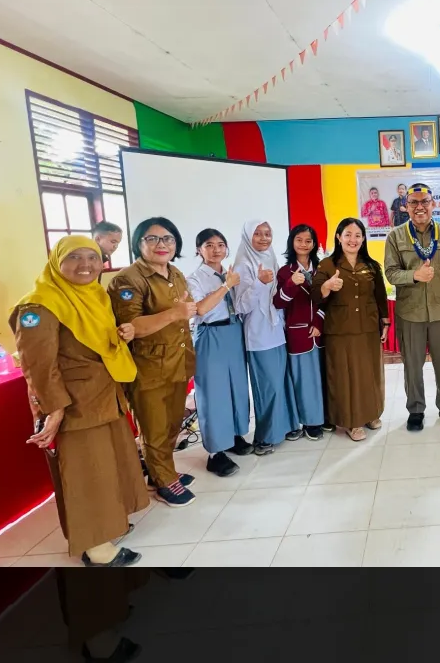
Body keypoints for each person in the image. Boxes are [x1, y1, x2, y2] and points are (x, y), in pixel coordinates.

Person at [13, 235, 148, 565]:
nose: (85, 265)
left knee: (109, 466)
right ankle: (96, 548)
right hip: (76, 404)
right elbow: (37, 365)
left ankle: (109, 524)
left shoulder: (93, 296)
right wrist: (54, 408)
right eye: (75, 257)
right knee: (87, 474)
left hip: (105, 395)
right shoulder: (39, 305)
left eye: (92, 257)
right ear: (56, 260)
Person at [109, 217, 198, 508]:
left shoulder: (176, 274)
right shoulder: (128, 280)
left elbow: (189, 309)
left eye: (168, 239)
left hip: (177, 361)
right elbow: (131, 326)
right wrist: (174, 313)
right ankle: (163, 480)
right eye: (153, 239)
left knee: (173, 423)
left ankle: (162, 471)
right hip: (148, 368)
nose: (162, 245)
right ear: (139, 243)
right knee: (154, 427)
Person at [384, 182, 440, 432]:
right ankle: (416, 410)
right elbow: (390, 273)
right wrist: (414, 276)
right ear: (406, 207)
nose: (420, 207)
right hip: (411, 313)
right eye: (414, 203)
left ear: (433, 204)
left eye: (425, 202)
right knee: (412, 365)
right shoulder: (395, 236)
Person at [312, 218, 389, 441]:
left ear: (363, 238)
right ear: (338, 237)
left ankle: (371, 414)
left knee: (369, 373)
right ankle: (351, 422)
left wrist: (384, 323)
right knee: (345, 376)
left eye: (357, 235)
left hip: (367, 328)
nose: (352, 239)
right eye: (347, 234)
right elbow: (315, 296)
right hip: (340, 330)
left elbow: (380, 297)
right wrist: (327, 286)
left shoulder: (372, 265)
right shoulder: (327, 264)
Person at [186, 229, 251, 478]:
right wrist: (226, 286)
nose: (216, 249)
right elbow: (201, 309)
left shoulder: (230, 272)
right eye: (209, 245)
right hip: (211, 335)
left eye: (221, 244)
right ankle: (215, 453)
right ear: (198, 250)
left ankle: (234, 435)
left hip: (234, 332)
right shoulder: (195, 278)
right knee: (213, 393)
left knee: (236, 387)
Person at [234, 220, 301, 455]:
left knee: (283, 381)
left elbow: (277, 298)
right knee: (268, 387)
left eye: (268, 233)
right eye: (258, 234)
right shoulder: (242, 265)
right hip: (259, 335)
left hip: (277, 331)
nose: (264, 238)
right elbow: (241, 306)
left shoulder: (271, 257)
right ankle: (264, 437)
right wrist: (259, 284)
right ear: (248, 237)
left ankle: (288, 426)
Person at [274, 224, 326, 440]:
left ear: (314, 244)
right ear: (292, 243)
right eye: (299, 240)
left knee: (323, 377)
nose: (304, 244)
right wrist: (291, 284)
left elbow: (328, 300)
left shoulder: (322, 268)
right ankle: (310, 421)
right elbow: (278, 302)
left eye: (308, 240)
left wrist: (319, 323)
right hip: (298, 334)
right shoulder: (285, 272)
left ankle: (325, 416)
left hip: (320, 333)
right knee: (303, 380)